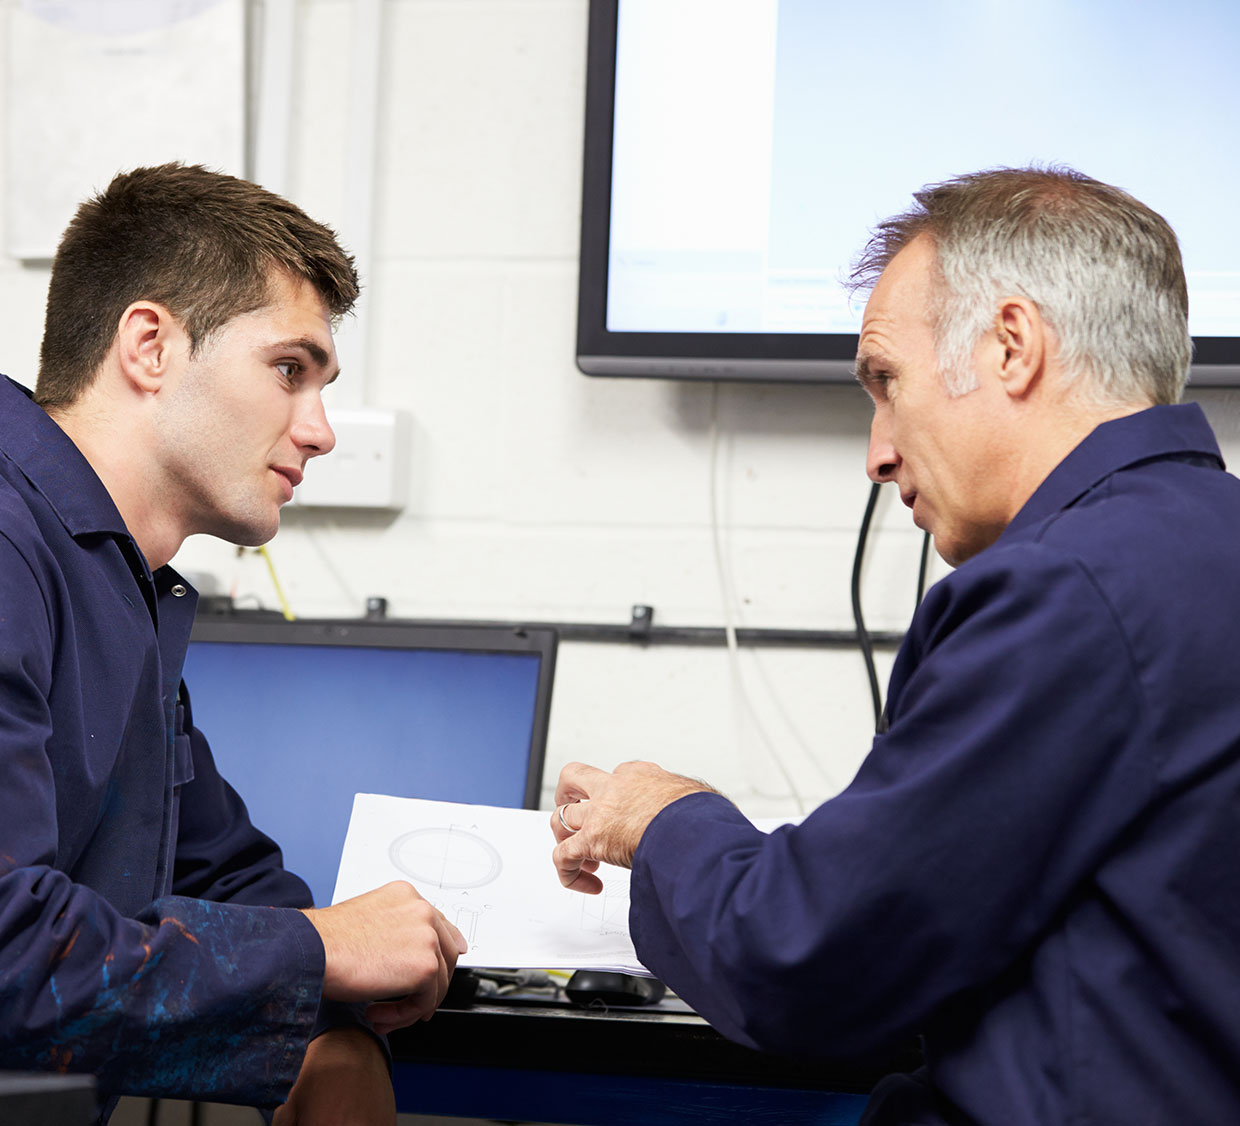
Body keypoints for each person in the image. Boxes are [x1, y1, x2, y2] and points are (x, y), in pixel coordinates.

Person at [550, 167, 1240, 1124]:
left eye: (887, 382)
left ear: (1011, 346)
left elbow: (809, 961)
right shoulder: (1208, 549)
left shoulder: (1061, 590)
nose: (877, 452)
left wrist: (661, 818)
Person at [0, 163, 466, 1124]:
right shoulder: (11, 549)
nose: (322, 431)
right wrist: (325, 954)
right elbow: (8, 950)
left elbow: (218, 867)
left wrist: (345, 996)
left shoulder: (119, 583)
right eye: (289, 370)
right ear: (150, 345)